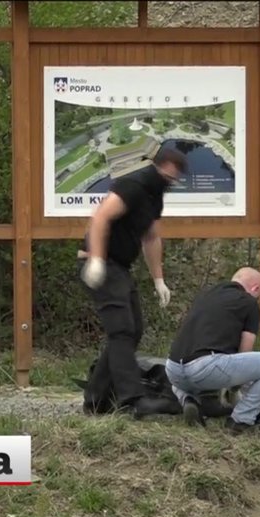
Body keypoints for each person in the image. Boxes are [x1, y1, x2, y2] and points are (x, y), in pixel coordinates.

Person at [79, 147, 188, 418]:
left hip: (120, 267)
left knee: (133, 330)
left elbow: (151, 237)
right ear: (161, 166)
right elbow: (101, 217)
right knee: (122, 330)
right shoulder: (134, 184)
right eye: (172, 175)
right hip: (103, 263)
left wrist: (158, 280)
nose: (173, 181)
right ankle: (132, 400)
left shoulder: (155, 196)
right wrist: (96, 259)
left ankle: (96, 400)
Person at [164, 267, 260, 434]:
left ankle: (188, 400)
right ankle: (241, 420)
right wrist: (234, 389)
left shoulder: (205, 295)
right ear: (255, 289)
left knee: (188, 371)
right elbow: (245, 352)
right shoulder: (248, 302)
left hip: (173, 370)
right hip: (204, 368)